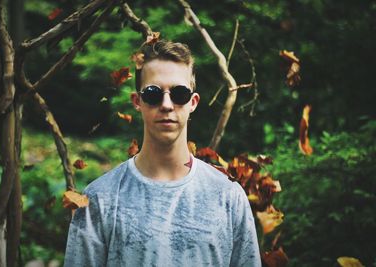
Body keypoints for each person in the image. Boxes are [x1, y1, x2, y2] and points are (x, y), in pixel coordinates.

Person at [64, 40, 261, 266]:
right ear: (137, 101)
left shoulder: (228, 197)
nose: (167, 104)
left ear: (193, 102)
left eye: (179, 93)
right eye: (153, 93)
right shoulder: (99, 199)